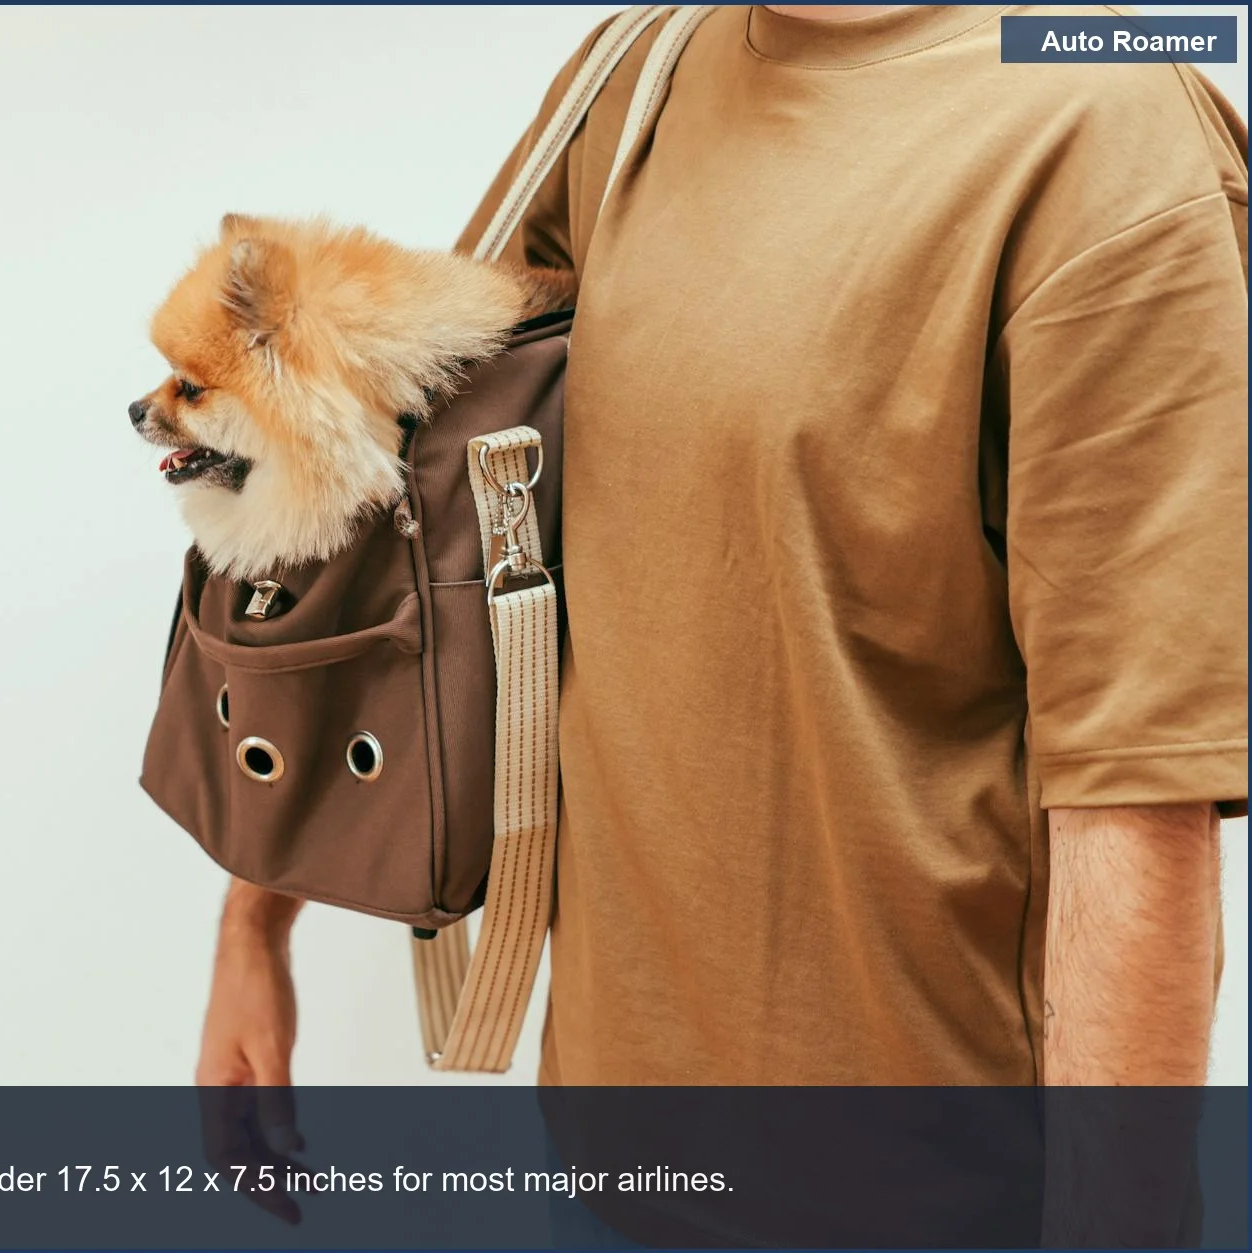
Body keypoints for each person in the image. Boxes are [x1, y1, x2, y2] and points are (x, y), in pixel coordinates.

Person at [198, 0, 1246, 1105]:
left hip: (931, 1180)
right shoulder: (638, 66)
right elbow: (397, 504)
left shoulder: (1107, 121)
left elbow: (1135, 777)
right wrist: (252, 920)